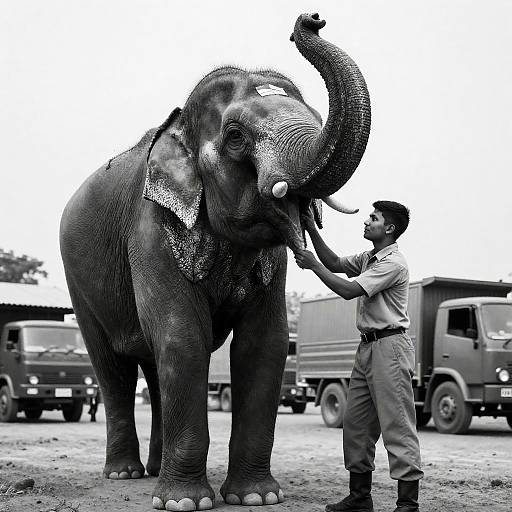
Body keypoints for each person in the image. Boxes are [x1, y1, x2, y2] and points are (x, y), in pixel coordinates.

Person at [294, 200, 422, 512]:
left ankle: (408, 504)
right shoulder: (369, 257)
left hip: (390, 348)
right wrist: (311, 227)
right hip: (367, 347)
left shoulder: (393, 264)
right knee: (356, 425)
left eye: (374, 218)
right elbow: (335, 262)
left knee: (397, 425)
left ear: (388, 228)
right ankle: (360, 497)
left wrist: (313, 266)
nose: (366, 221)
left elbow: (349, 290)